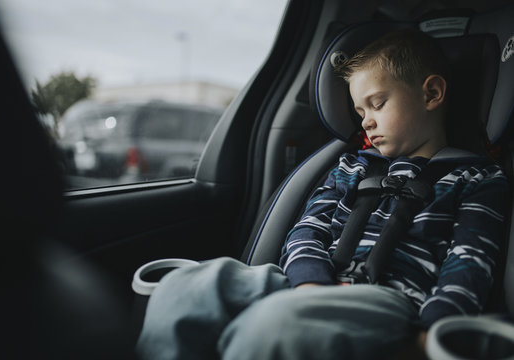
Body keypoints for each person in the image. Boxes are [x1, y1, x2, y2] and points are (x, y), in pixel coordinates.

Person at [135, 29, 508, 360]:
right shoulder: (352, 167)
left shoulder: (477, 177)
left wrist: (433, 331)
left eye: (377, 104)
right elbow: (308, 229)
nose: (366, 121)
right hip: (306, 281)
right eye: (360, 110)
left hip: (390, 299)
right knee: (188, 287)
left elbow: (470, 261)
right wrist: (310, 282)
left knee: (274, 327)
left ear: (431, 93)